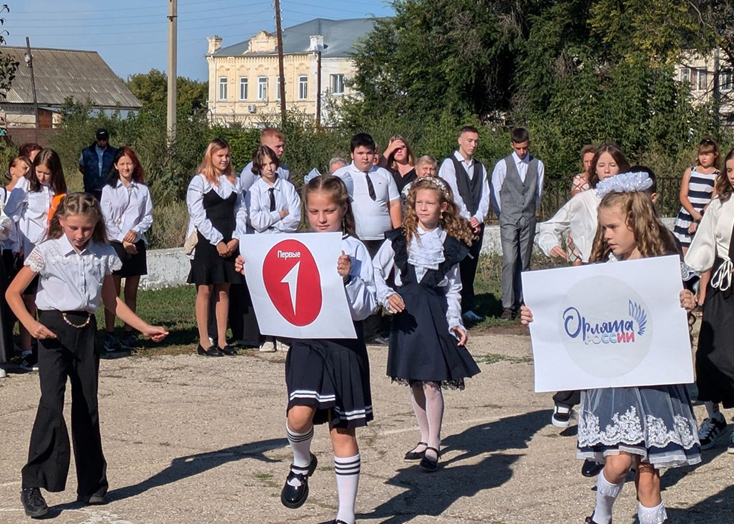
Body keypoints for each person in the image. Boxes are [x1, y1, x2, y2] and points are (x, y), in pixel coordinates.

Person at [521, 171, 701, 524]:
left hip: (654, 383)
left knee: (648, 471)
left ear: (636, 223)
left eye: (612, 227)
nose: (605, 235)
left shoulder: (663, 267)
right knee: (618, 464)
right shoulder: (603, 270)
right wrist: (537, 315)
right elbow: (571, 312)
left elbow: (680, 312)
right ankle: (600, 515)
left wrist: (686, 301)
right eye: (604, 228)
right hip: (615, 382)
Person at [5, 193, 167, 518]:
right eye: (75, 228)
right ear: (62, 222)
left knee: (87, 407)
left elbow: (112, 301)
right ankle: (34, 483)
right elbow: (13, 292)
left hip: (86, 331)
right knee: (51, 405)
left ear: (96, 226)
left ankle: (92, 484)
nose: (80, 235)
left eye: (87, 229)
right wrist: (30, 325)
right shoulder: (47, 251)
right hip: (51, 331)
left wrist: (144, 326)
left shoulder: (103, 253)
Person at [236, 175, 376, 524]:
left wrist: (349, 278)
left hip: (345, 343)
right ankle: (301, 462)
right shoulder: (295, 244)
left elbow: (365, 307)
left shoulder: (355, 250)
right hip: (308, 343)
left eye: (329, 210)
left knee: (342, 431)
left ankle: (346, 516)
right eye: (314, 211)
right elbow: (276, 287)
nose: (322, 218)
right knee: (298, 415)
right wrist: (248, 269)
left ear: (343, 209)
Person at [373, 177, 480, 472]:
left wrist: (455, 322)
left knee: (432, 381)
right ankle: (422, 437)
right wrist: (387, 294)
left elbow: (454, 290)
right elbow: (375, 270)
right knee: (415, 380)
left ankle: (434, 442)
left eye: (429, 203)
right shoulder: (400, 238)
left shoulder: (449, 244)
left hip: (433, 313)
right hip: (407, 314)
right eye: (419, 202)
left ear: (443, 208)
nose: (423, 207)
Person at [685, 147, 734, 453]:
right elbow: (704, 243)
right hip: (722, 283)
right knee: (710, 352)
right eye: (730, 171)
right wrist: (695, 281)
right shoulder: (720, 203)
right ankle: (714, 418)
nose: (733, 175)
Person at [332, 133, 401, 345]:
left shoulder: (384, 175)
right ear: (352, 154)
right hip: (355, 238)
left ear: (375, 154)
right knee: (355, 281)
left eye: (369, 153)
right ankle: (352, 327)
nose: (365, 157)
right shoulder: (342, 175)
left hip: (381, 237)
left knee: (377, 280)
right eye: (360, 153)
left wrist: (398, 234)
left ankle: (374, 331)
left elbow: (394, 203)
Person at [4, 149, 68, 372]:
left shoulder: (59, 191)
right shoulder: (25, 185)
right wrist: (17, 243)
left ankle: (49, 345)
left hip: (51, 251)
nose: (42, 177)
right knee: (29, 301)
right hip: (27, 250)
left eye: (46, 173)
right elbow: (11, 215)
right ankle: (27, 350)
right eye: (38, 171)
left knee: (48, 300)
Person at [187, 138, 247, 357]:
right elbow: (197, 215)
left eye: (227, 155)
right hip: (207, 242)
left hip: (230, 240)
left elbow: (241, 211)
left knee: (224, 289)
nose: (224, 159)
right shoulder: (199, 181)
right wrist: (217, 240)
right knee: (205, 289)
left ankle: (222, 339)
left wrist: (236, 238)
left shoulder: (235, 181)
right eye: (220, 155)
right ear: (210, 156)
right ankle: (204, 340)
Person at [245, 145, 301, 351]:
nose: (269, 168)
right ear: (258, 167)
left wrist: (272, 223)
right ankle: (268, 335)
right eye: (264, 165)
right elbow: (255, 221)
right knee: (266, 291)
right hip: (262, 245)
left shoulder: (287, 188)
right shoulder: (254, 191)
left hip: (284, 243)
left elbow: (294, 219)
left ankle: (284, 334)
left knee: (284, 290)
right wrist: (279, 215)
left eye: (272, 164)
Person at [100, 147, 154, 354]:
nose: (126, 167)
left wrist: (135, 232)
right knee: (114, 292)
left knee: (131, 292)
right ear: (115, 166)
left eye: (129, 163)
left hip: (136, 242)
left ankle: (129, 331)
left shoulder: (142, 190)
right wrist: (123, 239)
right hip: (115, 243)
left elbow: (147, 216)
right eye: (122, 163)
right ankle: (110, 332)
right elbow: (106, 219)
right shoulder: (109, 190)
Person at [490, 128, 545, 320]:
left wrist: (530, 211)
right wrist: (502, 215)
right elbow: (495, 191)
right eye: (519, 148)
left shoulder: (537, 165)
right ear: (512, 145)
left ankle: (524, 300)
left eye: (525, 148)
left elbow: (537, 192)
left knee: (525, 260)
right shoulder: (503, 165)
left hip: (528, 216)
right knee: (510, 259)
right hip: (508, 218)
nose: (522, 152)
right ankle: (507, 304)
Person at [439, 126, 490, 323]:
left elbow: (486, 194)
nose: (473, 145)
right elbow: (452, 193)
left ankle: (467, 306)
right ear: (460, 140)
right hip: (458, 222)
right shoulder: (449, 165)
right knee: (455, 264)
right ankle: (451, 307)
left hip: (476, 223)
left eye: (476, 141)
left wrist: (479, 217)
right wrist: (468, 217)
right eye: (469, 140)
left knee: (471, 264)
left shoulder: (480, 167)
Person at [1, 156, 32, 374]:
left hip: (14, 251)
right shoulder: (5, 192)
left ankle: (9, 353)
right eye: (24, 168)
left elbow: (6, 222)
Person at [79, 129, 118, 202]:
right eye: (100, 139)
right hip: (91, 189)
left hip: (109, 188)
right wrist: (90, 176)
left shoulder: (114, 152)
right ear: (96, 138)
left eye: (104, 139)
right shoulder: (86, 151)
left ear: (107, 139)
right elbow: (81, 167)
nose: (102, 141)